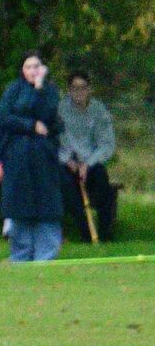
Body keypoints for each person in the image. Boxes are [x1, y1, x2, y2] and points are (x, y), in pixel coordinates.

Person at [0, 52, 63, 262]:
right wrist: (30, 125)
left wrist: (39, 89)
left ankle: (45, 255)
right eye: (28, 67)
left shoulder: (50, 92)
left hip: (43, 160)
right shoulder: (13, 90)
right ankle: (20, 256)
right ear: (22, 70)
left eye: (37, 66)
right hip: (18, 160)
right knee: (19, 207)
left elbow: (48, 116)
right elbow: (3, 118)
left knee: (46, 207)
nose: (33, 71)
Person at [58, 71, 117, 242]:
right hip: (68, 163)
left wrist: (88, 164)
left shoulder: (98, 111)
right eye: (74, 88)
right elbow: (55, 141)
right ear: (69, 90)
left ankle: (105, 235)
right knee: (67, 188)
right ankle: (86, 234)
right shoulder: (61, 109)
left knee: (102, 184)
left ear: (89, 89)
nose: (79, 92)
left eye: (83, 88)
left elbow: (107, 144)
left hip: (91, 163)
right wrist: (68, 160)